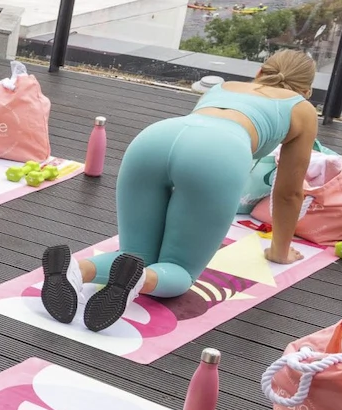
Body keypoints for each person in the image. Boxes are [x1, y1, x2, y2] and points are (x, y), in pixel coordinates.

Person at [38, 50, 321, 333]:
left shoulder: (223, 87)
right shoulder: (302, 109)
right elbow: (288, 192)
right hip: (218, 154)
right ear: (307, 91)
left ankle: (75, 271)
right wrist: (279, 251)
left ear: (259, 72)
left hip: (154, 139)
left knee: (134, 254)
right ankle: (138, 281)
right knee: (179, 270)